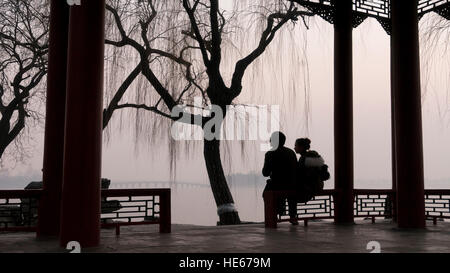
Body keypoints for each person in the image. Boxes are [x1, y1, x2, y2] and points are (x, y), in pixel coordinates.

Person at [262, 131, 299, 225]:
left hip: (277, 184)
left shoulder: (270, 154)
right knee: (291, 194)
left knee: (266, 194)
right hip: (292, 184)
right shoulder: (291, 152)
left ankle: (275, 214)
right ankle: (293, 216)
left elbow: (265, 173)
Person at [294, 138, 327, 202]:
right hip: (318, 186)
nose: (294, 147)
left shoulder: (304, 159)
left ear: (301, 147)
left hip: (308, 188)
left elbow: (301, 174)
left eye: (296, 145)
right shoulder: (313, 156)